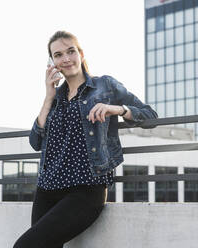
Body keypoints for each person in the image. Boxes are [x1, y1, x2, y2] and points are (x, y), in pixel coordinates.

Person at [13, 30, 158, 248]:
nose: (66, 58)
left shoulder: (105, 86)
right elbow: (35, 142)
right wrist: (48, 97)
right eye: (58, 54)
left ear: (81, 53)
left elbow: (150, 117)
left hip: (86, 189)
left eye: (71, 51)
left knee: (25, 245)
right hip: (47, 188)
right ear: (52, 62)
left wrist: (117, 109)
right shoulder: (55, 97)